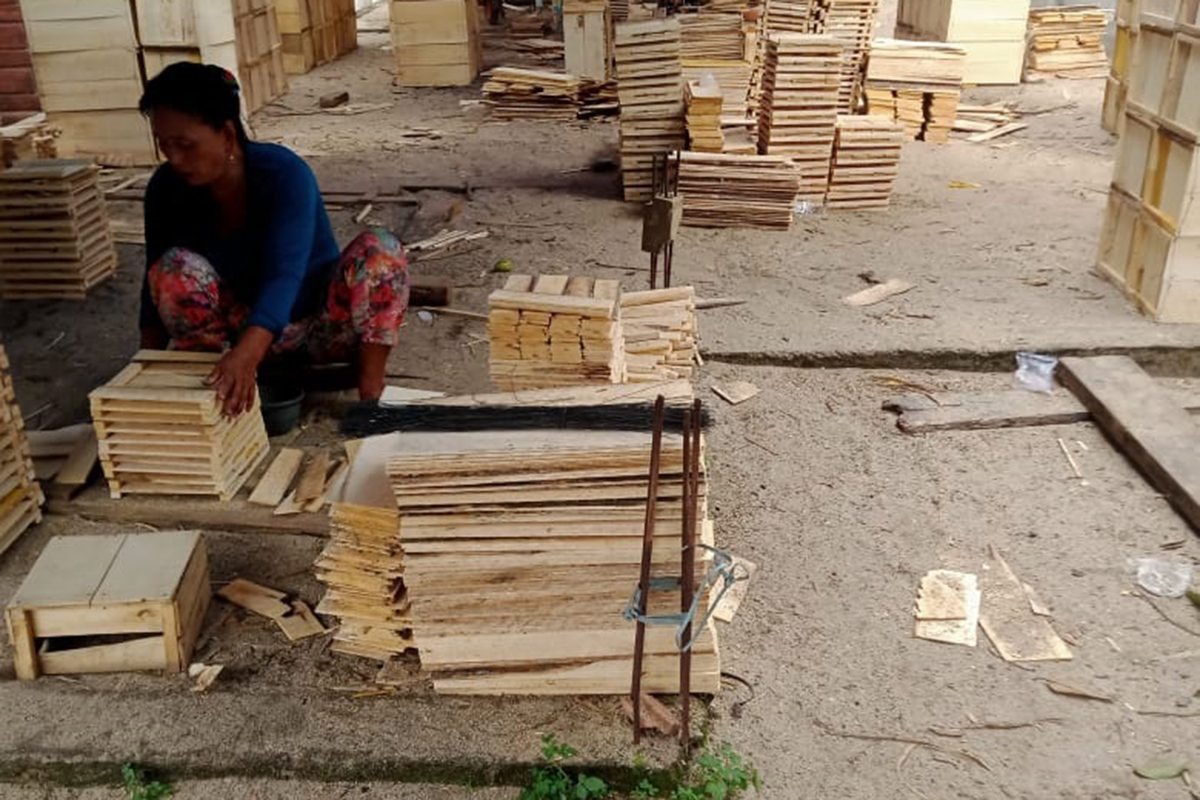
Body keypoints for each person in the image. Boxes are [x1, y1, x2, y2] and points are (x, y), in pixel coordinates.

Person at [138, 62, 409, 416]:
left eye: (186, 145)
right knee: (172, 269)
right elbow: (152, 284)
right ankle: (213, 387)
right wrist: (144, 369)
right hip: (234, 334)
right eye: (164, 145)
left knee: (382, 250)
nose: (174, 159)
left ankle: (372, 391)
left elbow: (285, 274)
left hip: (319, 326)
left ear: (227, 135)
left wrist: (248, 354)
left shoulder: (283, 174)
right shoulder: (165, 189)